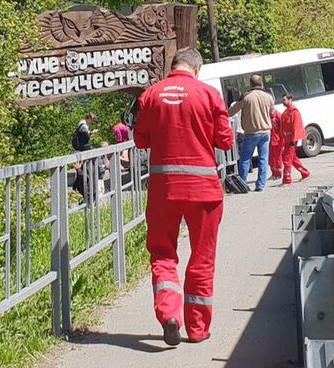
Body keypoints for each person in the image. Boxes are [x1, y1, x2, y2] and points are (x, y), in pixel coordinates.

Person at [134, 47, 233, 346]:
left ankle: (169, 315)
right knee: (202, 258)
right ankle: (198, 328)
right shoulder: (209, 94)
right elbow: (225, 140)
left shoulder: (150, 95)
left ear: (173, 66)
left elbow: (140, 140)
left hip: (164, 189)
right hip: (204, 189)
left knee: (163, 253)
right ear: (197, 69)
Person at [228, 74, 274, 191]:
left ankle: (243, 184)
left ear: (251, 84)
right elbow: (272, 113)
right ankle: (260, 185)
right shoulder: (269, 97)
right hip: (266, 132)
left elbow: (232, 111)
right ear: (261, 84)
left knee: (245, 158)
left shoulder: (247, 97)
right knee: (263, 159)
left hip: (251, 133)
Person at [280, 94, 310, 185]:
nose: (283, 102)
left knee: (287, 159)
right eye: (282, 100)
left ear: (290, 100)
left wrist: (294, 139)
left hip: (292, 139)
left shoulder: (294, 112)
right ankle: (305, 173)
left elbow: (296, 126)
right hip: (287, 139)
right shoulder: (286, 112)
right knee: (292, 158)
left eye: (284, 100)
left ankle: (287, 179)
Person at [269, 107, 283, 180]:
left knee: (278, 158)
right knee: (271, 158)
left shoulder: (279, 115)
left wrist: (283, 140)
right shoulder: (268, 115)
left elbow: (282, 129)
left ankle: (279, 174)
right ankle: (273, 173)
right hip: (270, 140)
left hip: (278, 141)